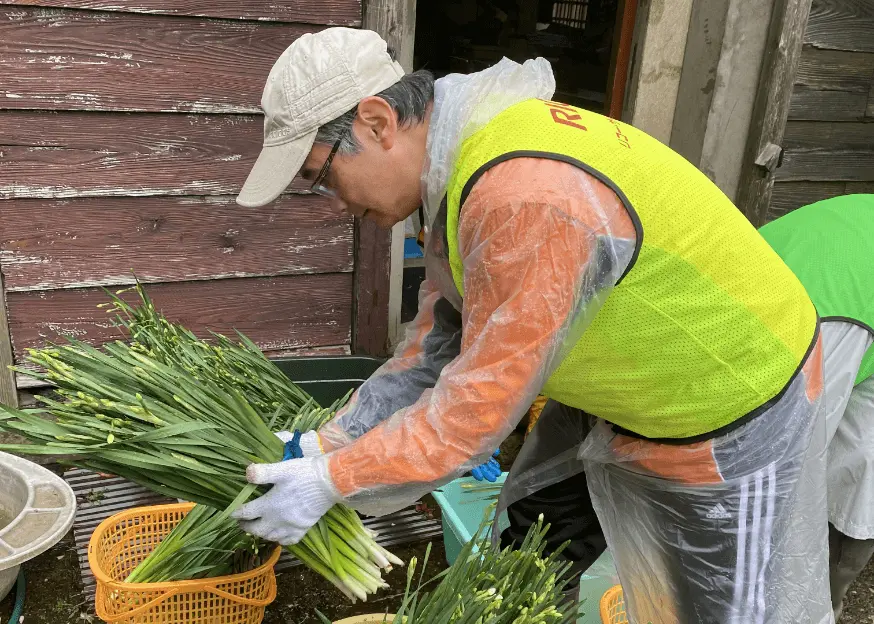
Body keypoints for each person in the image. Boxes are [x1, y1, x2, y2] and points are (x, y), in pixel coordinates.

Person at [231, 27, 833, 623]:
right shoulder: (460, 168)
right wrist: (328, 441)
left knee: (722, 610)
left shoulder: (519, 196)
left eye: (322, 176)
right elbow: (440, 343)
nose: (336, 204)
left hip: (731, 398)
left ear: (377, 122)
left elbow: (472, 416)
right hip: (613, 373)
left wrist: (333, 480)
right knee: (529, 544)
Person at [758, 194, 874, 622]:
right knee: (789, 465)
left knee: (857, 465)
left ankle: (816, 600)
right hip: (823, 314)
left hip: (784, 288)